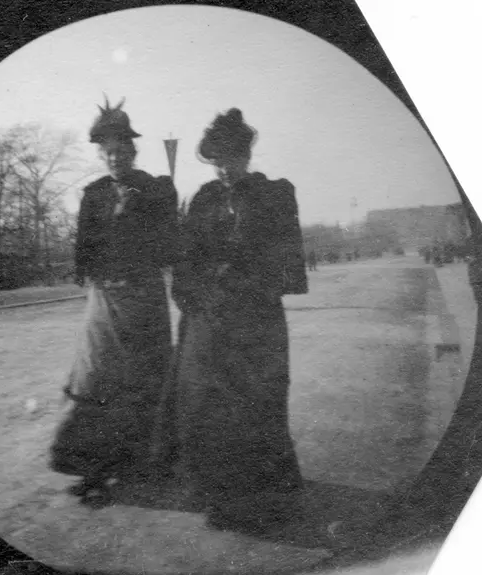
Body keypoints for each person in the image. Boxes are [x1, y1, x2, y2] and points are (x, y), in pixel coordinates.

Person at [159, 108, 308, 534]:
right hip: (210, 317)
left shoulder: (274, 194)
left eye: (232, 158)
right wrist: (194, 292)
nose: (225, 168)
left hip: (255, 318)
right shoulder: (203, 198)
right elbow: (186, 257)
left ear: (247, 155)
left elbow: (285, 256)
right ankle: (220, 496)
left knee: (256, 403)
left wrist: (245, 282)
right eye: (218, 160)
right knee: (209, 405)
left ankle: (264, 498)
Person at [49, 96, 179, 505]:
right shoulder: (94, 194)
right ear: (100, 155)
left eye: (121, 151)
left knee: (144, 378)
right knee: (95, 377)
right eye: (107, 153)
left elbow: (168, 247)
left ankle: (146, 462)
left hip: (145, 298)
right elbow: (85, 250)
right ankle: (92, 466)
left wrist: (157, 206)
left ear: (133, 151)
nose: (115, 158)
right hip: (105, 299)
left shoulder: (154, 188)